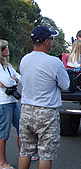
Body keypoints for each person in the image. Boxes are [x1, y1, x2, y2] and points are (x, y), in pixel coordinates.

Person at [18, 26, 70, 169]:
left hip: (26, 110)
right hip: (46, 112)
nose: (52, 42)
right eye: (52, 39)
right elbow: (65, 85)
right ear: (46, 41)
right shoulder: (54, 62)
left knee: (25, 151)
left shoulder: (24, 60)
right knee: (46, 154)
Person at [0, 39, 21, 169]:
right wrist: (13, 80)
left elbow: (20, 77)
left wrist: (13, 79)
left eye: (6, 47)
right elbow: (7, 82)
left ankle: (23, 154)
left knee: (21, 128)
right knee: (4, 133)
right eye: (3, 48)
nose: (6, 49)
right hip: (3, 103)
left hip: (13, 102)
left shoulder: (8, 65)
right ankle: (2, 163)